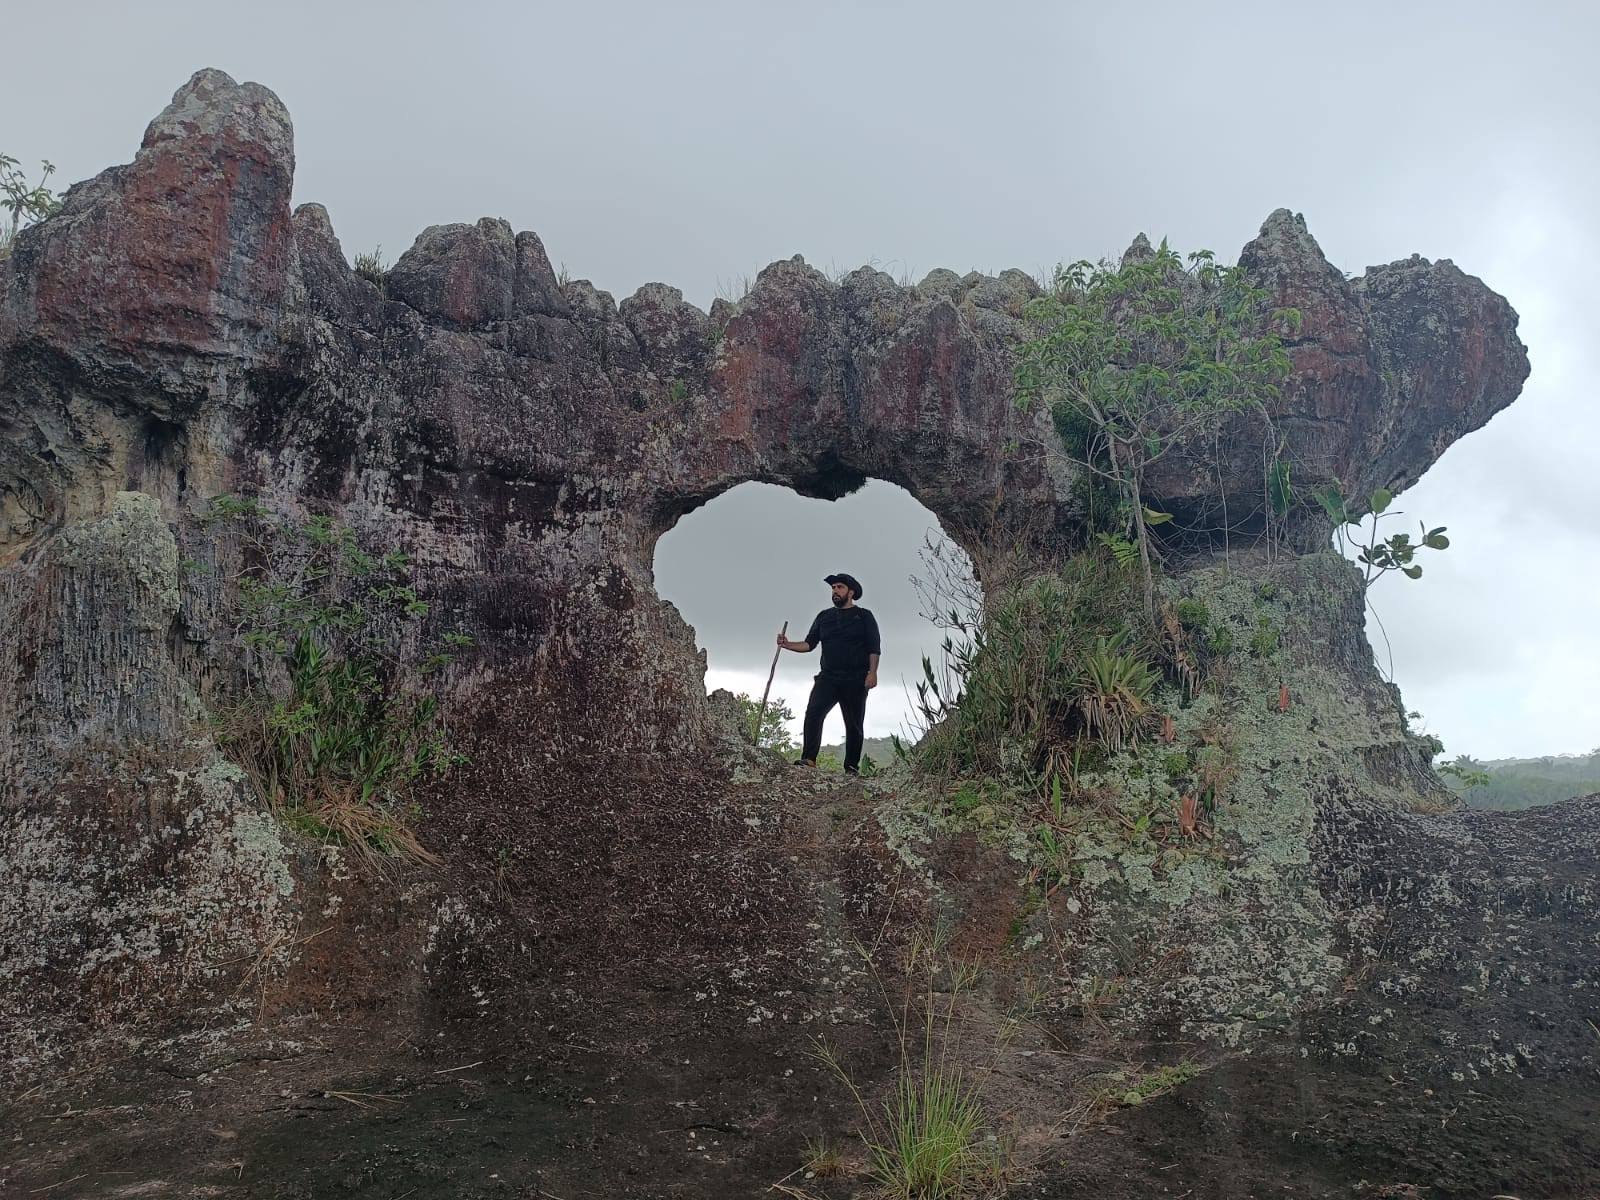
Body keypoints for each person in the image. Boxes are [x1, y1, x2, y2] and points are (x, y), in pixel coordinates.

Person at [776, 573, 881, 775]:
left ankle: (851, 767)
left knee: (854, 724)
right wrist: (787, 644)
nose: (835, 591)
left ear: (851, 592)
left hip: (856, 678)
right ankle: (809, 759)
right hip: (828, 677)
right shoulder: (824, 617)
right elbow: (809, 644)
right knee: (813, 713)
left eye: (839, 587)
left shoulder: (864, 616)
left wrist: (872, 673)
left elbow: (874, 647)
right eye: (833, 588)